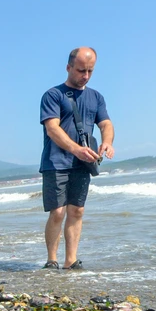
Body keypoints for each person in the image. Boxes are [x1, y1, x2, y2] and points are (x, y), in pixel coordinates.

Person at [39, 46, 114, 270]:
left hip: (83, 162)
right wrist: (75, 149)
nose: (85, 76)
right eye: (81, 70)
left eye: (90, 71)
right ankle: (51, 260)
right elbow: (52, 128)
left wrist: (107, 141)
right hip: (56, 162)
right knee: (58, 211)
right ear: (68, 67)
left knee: (77, 210)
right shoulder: (53, 95)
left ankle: (70, 260)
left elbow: (105, 124)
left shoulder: (96, 97)